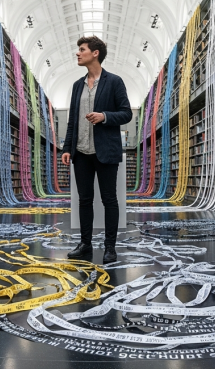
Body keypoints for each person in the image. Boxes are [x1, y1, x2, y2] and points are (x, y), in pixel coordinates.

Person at [62, 36, 132, 263]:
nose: (77, 53)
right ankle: (85, 244)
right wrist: (67, 148)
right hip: (81, 152)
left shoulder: (115, 82)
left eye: (81, 49)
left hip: (106, 151)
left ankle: (110, 247)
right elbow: (72, 121)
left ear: (95, 53)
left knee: (109, 199)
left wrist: (104, 116)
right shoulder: (77, 86)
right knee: (84, 200)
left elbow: (126, 113)